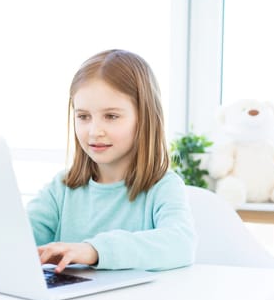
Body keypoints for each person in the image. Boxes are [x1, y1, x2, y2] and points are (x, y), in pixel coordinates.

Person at [27, 49, 197, 273]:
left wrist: (95, 250)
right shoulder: (61, 189)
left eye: (111, 116)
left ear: (144, 118)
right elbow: (17, 238)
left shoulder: (163, 186)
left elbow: (181, 244)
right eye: (83, 116)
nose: (94, 131)